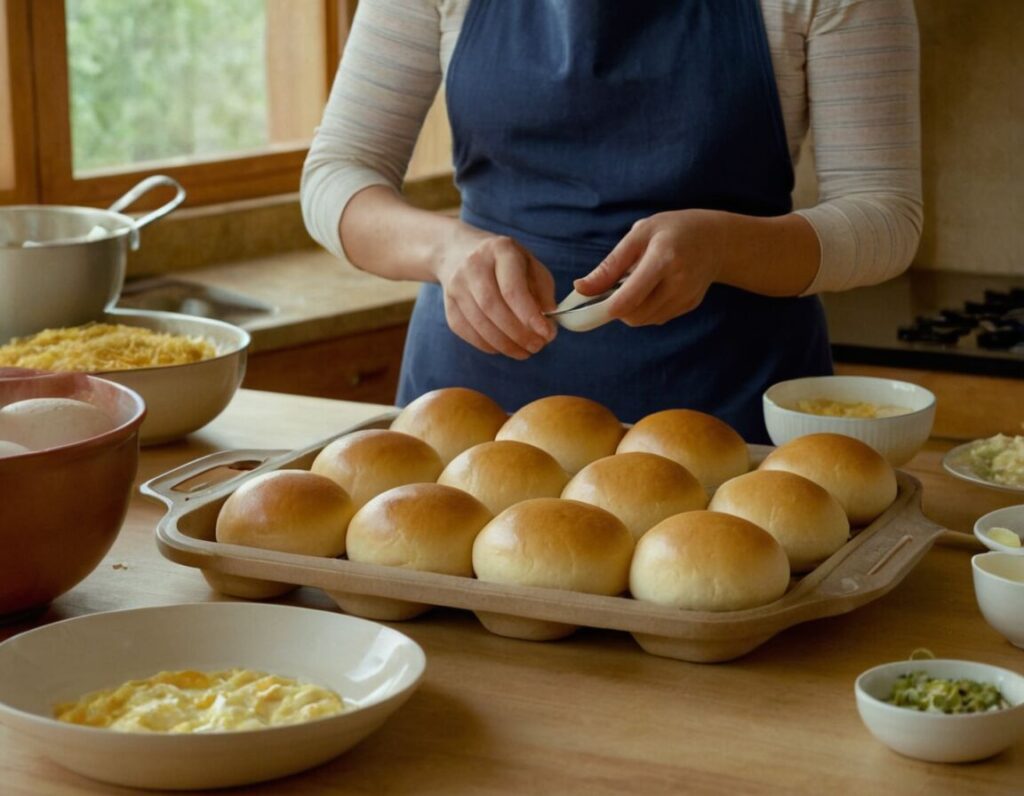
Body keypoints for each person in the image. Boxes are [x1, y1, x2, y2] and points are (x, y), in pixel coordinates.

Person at [301, 0, 921, 442]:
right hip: (472, 409)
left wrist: (723, 245)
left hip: (726, 412)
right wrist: (444, 251)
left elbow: (886, 214)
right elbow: (337, 172)